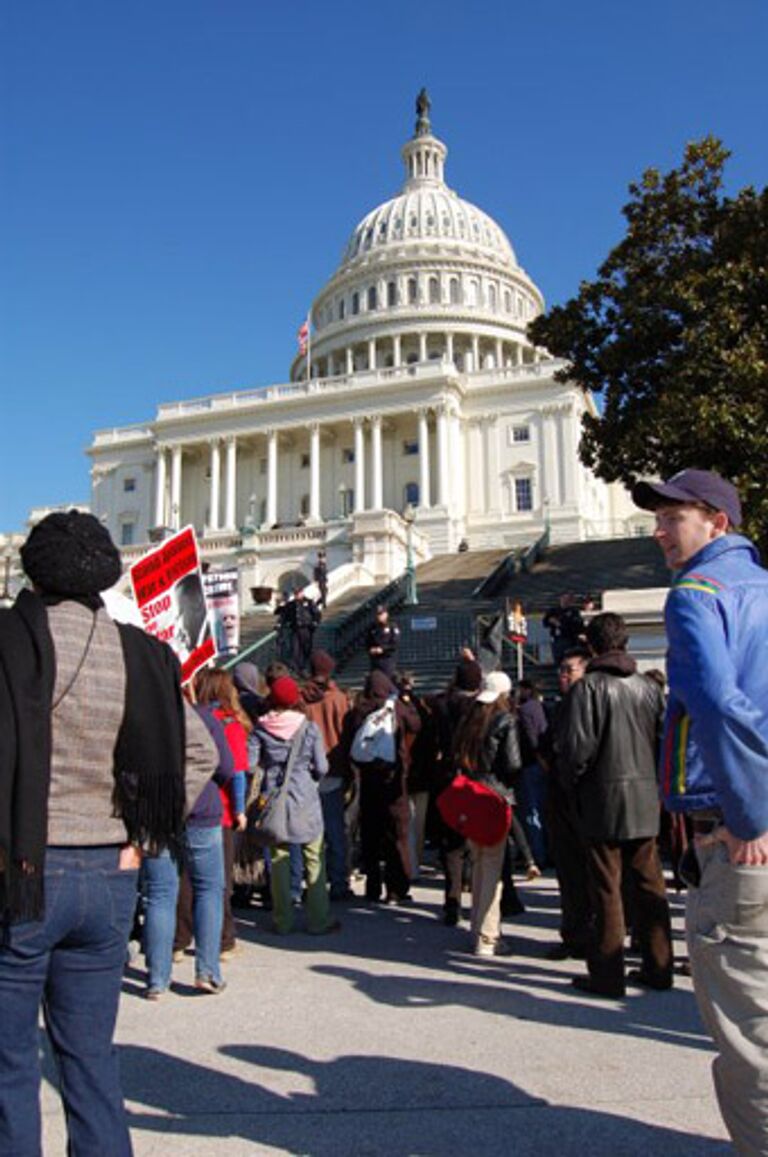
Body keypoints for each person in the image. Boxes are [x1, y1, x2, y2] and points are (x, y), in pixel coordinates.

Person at [0, 510, 217, 1156]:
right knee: (91, 1059)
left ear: (34, 572)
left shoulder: (7, 642)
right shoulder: (141, 654)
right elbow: (201, 752)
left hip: (22, 871)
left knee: (10, 1062)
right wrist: (145, 837)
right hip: (109, 875)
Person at [632, 468, 768, 1154]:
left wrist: (751, 813)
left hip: (740, 832)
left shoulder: (696, 593)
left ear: (717, 520)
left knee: (751, 1032)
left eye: (671, 517)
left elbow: (717, 704)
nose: (657, 531)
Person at [555, 612, 673, 998]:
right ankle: (659, 964)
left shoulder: (588, 688)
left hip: (602, 797)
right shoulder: (647, 687)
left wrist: (573, 785)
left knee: (606, 887)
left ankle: (608, 974)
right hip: (644, 795)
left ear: (591, 645)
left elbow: (576, 750)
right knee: (649, 884)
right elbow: (660, 742)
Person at [249, 675, 339, 935]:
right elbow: (322, 767)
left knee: (279, 858)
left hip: (275, 799)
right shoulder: (309, 728)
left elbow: (251, 763)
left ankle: (282, 919)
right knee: (314, 856)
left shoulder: (260, 728)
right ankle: (318, 919)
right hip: (305, 798)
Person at [452, 670, 522, 957]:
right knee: (493, 869)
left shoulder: (470, 719)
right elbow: (514, 763)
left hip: (472, 795)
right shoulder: (505, 720)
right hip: (495, 795)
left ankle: (476, 927)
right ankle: (488, 936)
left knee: (479, 862)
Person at [188, 668, 248, 958]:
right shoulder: (227, 723)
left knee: (186, 878)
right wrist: (240, 808)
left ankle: (180, 938)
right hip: (218, 809)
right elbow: (235, 771)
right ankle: (223, 939)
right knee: (217, 881)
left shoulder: (189, 718)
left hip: (188, 804)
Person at [348, 670, 420, 903]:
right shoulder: (395, 707)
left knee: (370, 835)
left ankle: (372, 886)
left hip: (368, 780)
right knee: (397, 835)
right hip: (394, 779)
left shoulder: (358, 711)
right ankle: (396, 888)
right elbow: (416, 725)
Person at [539, 648, 593, 960]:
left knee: (589, 875)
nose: (562, 675)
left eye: (569, 670)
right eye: (561, 670)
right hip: (561, 799)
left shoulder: (588, 703)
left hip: (583, 800)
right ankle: (573, 933)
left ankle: (590, 934)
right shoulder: (559, 707)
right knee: (569, 875)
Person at [430, 656, 483, 925]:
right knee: (477, 841)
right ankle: (477, 898)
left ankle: (452, 903)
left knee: (451, 843)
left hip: (447, 775)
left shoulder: (440, 704)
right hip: (474, 776)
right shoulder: (479, 708)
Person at [300, 650, 354, 901]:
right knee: (335, 829)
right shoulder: (339, 699)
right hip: (334, 767)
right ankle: (339, 881)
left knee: (310, 832)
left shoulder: (302, 700)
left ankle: (313, 881)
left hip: (308, 771)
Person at [543, 593, 585, 666]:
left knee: (568, 658)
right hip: (556, 638)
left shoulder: (574, 612)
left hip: (569, 639)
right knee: (558, 659)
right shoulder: (553, 611)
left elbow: (578, 626)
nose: (565, 601)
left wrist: (560, 624)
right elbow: (545, 622)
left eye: (568, 599)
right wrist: (552, 621)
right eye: (564, 599)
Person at [366, 605, 400, 678]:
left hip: (387, 659)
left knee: (387, 680)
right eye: (378, 614)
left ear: (386, 614)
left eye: (381, 614)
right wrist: (371, 649)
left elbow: (394, 643)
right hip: (375, 660)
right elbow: (367, 643)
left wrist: (383, 649)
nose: (379, 616)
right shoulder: (372, 628)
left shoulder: (392, 626)